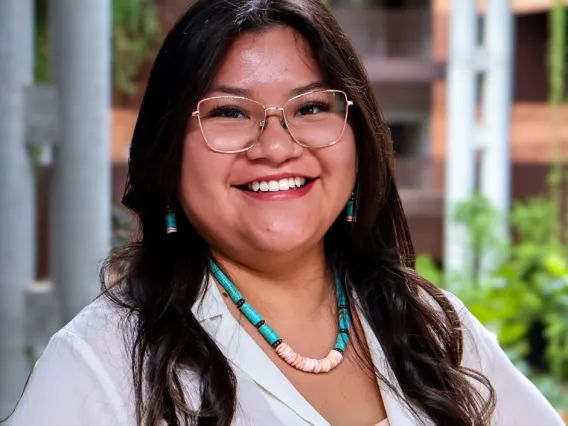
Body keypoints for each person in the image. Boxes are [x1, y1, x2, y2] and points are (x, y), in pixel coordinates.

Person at [6, 1, 565, 425]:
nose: (275, 146)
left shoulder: (428, 323)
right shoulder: (101, 362)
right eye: (229, 111)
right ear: (167, 150)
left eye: (312, 106)